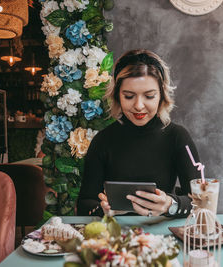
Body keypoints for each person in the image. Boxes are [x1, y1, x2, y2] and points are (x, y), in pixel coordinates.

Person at [76, 49, 201, 218]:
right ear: (117, 95)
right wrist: (103, 210)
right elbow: (84, 203)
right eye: (129, 96)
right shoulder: (103, 140)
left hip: (165, 239)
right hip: (116, 239)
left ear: (161, 96)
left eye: (149, 96)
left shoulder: (178, 137)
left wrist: (170, 205)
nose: (139, 106)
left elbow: (201, 203)